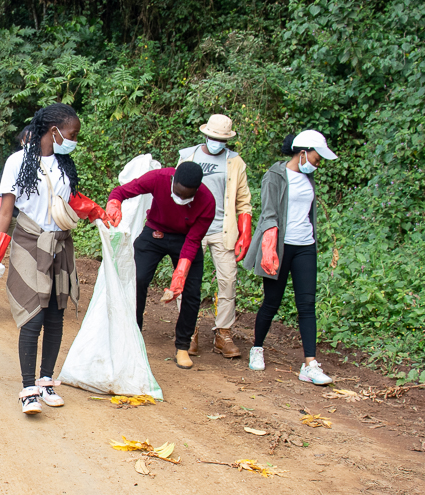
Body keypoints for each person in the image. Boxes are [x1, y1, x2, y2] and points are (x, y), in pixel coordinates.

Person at [0, 103, 114, 415]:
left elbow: (70, 200)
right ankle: (28, 388)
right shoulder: (18, 162)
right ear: (53, 131)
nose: (74, 140)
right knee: (33, 314)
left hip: (61, 245)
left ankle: (45, 380)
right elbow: (4, 211)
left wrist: (98, 213)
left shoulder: (65, 164)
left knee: (56, 313)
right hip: (29, 241)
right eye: (72, 134)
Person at [243, 131, 337, 385]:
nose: (318, 165)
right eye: (316, 159)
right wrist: (269, 250)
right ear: (303, 152)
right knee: (271, 302)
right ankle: (257, 347)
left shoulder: (308, 177)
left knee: (307, 305)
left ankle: (310, 364)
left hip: (305, 245)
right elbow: (269, 213)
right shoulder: (274, 176)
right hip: (280, 246)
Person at [106, 162, 216, 370]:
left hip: (186, 238)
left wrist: (181, 273)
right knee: (137, 279)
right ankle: (132, 335)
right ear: (173, 181)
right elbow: (121, 191)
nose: (181, 200)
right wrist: (114, 203)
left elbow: (193, 241)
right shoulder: (158, 178)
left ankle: (183, 345)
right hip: (155, 232)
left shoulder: (207, 201)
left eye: (187, 197)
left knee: (191, 292)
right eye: (178, 194)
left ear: (197, 190)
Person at [175, 114, 253, 358]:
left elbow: (243, 199)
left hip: (222, 228)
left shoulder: (235, 162)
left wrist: (245, 231)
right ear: (205, 135)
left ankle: (223, 333)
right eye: (212, 137)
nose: (215, 142)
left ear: (227, 139)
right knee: (186, 280)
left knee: (228, 280)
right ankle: (189, 331)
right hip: (192, 228)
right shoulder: (188, 156)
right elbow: (175, 192)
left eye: (221, 139)